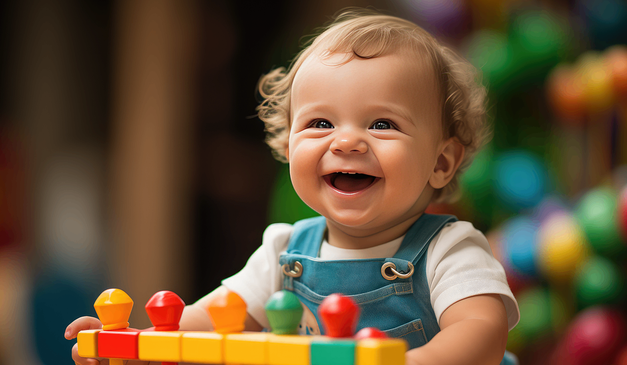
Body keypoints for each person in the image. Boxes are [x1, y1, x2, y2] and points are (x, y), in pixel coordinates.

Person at [66, 8, 519, 365]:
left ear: (440, 162)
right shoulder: (283, 253)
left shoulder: (448, 250)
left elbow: (481, 330)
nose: (345, 141)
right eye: (321, 123)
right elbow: (209, 321)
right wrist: (135, 343)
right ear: (287, 145)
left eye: (382, 123)